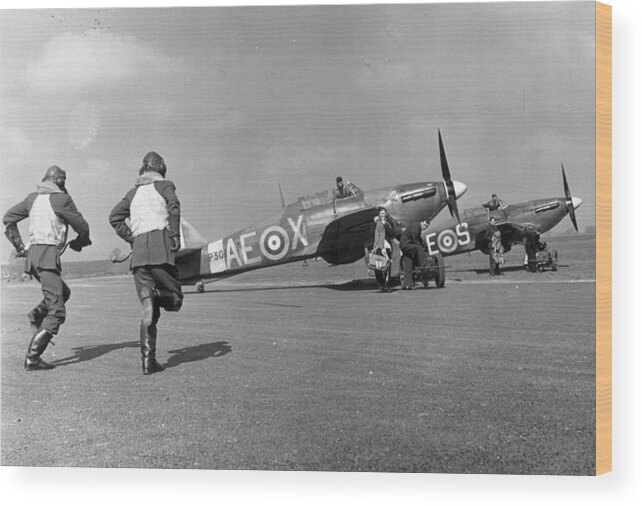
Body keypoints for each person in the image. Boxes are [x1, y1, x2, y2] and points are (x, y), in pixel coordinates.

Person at [3, 165, 91, 370]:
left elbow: (8, 219)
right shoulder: (62, 199)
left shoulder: (32, 198)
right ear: (61, 181)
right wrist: (81, 241)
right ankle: (32, 358)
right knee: (58, 311)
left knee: (63, 292)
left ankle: (36, 315)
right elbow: (83, 227)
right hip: (47, 257)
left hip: (33, 257)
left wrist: (19, 246)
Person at [109, 151, 183, 375]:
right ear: (161, 167)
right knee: (175, 299)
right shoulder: (165, 185)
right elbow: (174, 207)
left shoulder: (133, 193)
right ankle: (156, 296)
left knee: (148, 311)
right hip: (160, 250)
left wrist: (133, 238)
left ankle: (148, 362)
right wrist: (175, 236)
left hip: (139, 256)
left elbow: (114, 217)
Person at [369, 208, 396, 293]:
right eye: (380, 213)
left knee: (387, 267)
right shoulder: (376, 222)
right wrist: (374, 223)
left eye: (383, 213)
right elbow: (371, 233)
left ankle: (388, 286)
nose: (382, 215)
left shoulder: (389, 222)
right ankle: (381, 285)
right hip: (377, 247)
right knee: (378, 267)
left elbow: (392, 234)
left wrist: (386, 225)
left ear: (386, 214)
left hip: (386, 246)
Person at [399, 220, 429, 290]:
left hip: (405, 245)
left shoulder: (417, 227)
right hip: (406, 244)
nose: (425, 227)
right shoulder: (416, 227)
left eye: (427, 226)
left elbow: (418, 238)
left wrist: (424, 244)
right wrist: (422, 247)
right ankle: (422, 264)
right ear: (421, 222)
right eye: (424, 225)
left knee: (408, 264)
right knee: (419, 248)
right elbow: (415, 240)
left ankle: (407, 285)